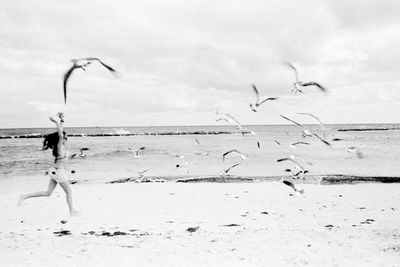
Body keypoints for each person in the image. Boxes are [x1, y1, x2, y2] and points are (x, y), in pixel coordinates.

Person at [18, 112, 78, 216]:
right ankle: (72, 212)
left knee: (48, 193)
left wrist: (62, 119)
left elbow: (61, 133)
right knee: (68, 191)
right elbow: (60, 133)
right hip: (58, 172)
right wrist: (56, 122)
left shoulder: (62, 147)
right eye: (65, 135)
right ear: (62, 138)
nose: (66, 136)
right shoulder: (60, 146)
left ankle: (25, 196)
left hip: (55, 171)